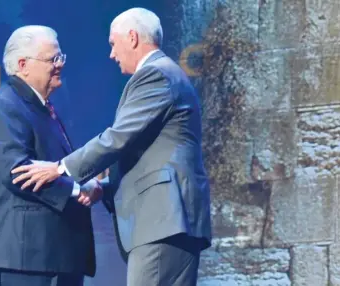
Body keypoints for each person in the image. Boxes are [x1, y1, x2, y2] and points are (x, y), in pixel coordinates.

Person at [12, 8, 212, 286]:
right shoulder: (163, 74)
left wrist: (60, 168)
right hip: (166, 222)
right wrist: (103, 189)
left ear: (132, 38)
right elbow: (147, 154)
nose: (111, 54)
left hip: (163, 221)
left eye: (113, 43)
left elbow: (118, 138)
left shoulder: (155, 74)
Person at [0, 25, 102, 286]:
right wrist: (76, 189)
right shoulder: (2, 108)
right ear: (23, 64)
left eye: (61, 58)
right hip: (15, 259)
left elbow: (51, 168)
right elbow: (19, 173)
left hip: (46, 257)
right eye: (52, 59)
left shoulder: (41, 108)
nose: (60, 65)